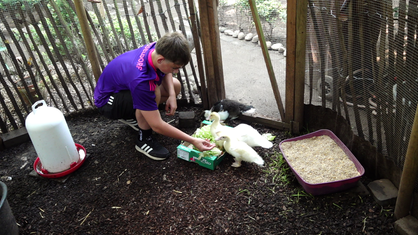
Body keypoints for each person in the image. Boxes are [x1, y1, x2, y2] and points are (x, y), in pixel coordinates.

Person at [94, 31, 215, 160]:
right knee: (153, 92)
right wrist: (193, 140)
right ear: (160, 60)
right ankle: (144, 139)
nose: (176, 71)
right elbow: (157, 126)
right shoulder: (142, 81)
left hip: (122, 90)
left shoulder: (157, 48)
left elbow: (166, 73)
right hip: (108, 102)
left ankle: (138, 116)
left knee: (174, 85)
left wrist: (172, 95)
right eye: (174, 68)